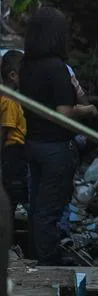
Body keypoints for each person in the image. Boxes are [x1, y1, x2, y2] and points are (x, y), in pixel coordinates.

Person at [20, 7, 98, 265]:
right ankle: (49, 260)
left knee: (37, 205)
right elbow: (64, 112)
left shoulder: (26, 65)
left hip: (32, 142)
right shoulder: (56, 68)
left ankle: (39, 252)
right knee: (50, 208)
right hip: (55, 147)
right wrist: (89, 109)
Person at [1, 50, 28, 227]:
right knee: (12, 196)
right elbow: (4, 131)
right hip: (13, 153)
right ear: (13, 75)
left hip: (16, 153)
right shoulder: (9, 101)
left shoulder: (14, 98)